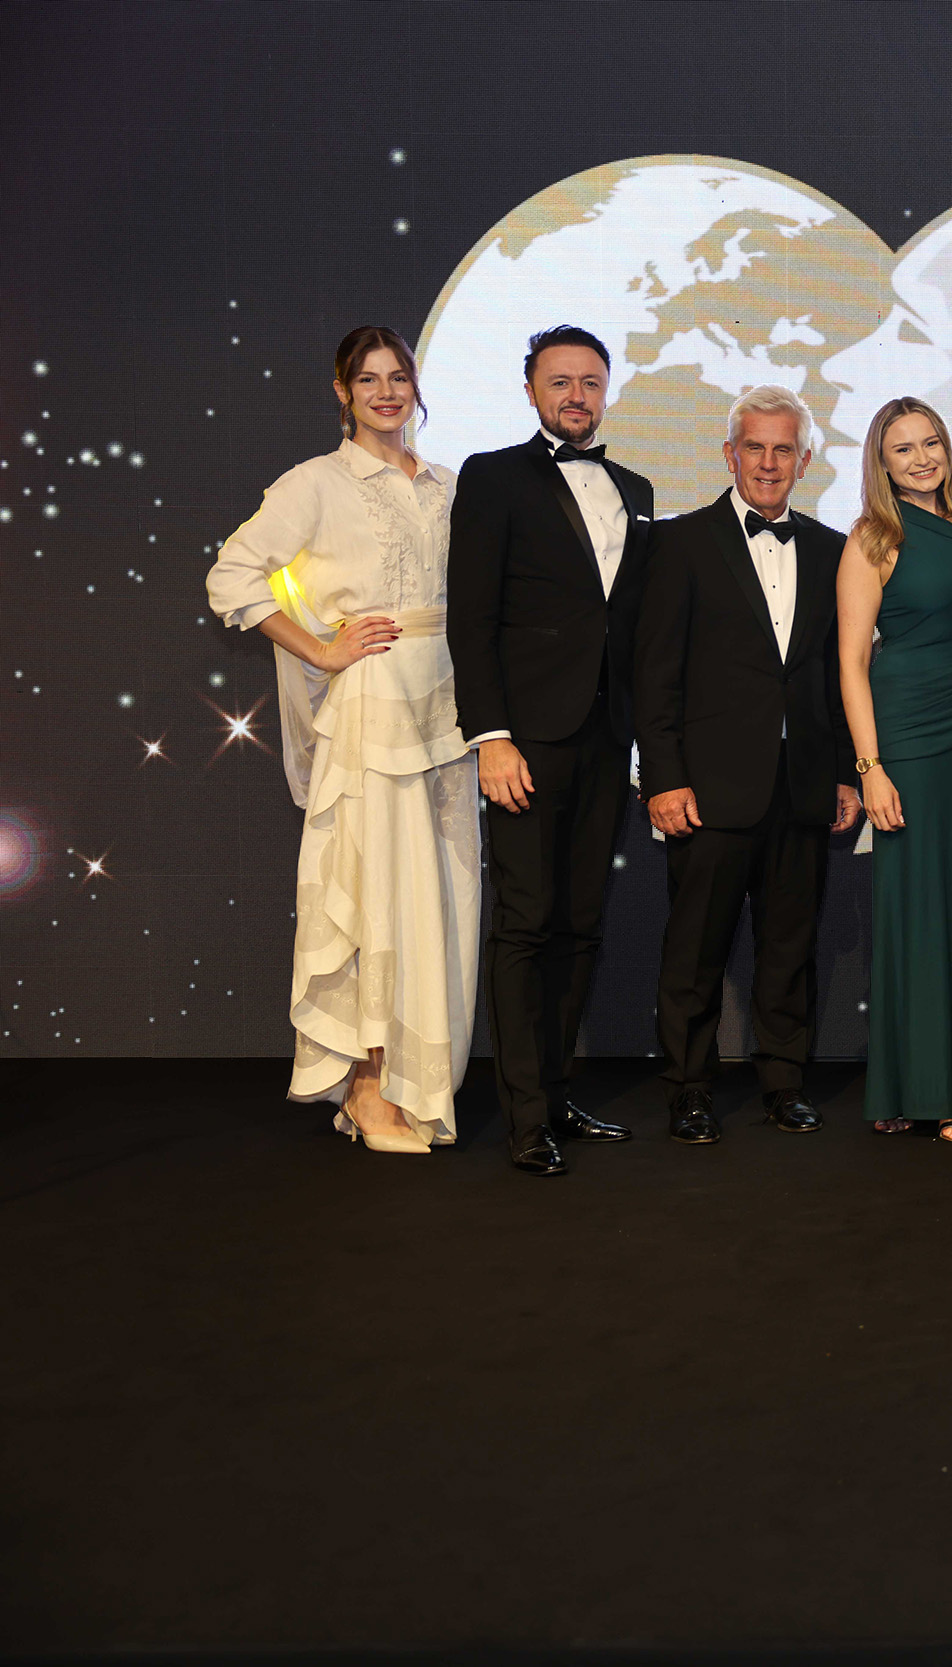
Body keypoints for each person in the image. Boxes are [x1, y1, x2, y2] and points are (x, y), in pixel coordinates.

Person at [207, 325, 477, 1153]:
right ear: (342, 391)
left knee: (447, 901)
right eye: (369, 380)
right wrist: (324, 647)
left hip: (451, 715)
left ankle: (418, 1085)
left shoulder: (449, 483)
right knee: (378, 898)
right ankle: (367, 1090)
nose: (387, 392)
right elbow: (231, 576)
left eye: (399, 376)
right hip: (371, 714)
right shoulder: (316, 482)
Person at [448, 324, 655, 1177]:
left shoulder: (636, 487)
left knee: (581, 922)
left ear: (607, 391)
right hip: (525, 743)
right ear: (530, 389)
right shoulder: (492, 475)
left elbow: (631, 622)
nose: (577, 395)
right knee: (526, 923)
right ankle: (523, 1114)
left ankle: (557, 1090)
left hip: (608, 741)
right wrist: (490, 737)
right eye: (560, 381)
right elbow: (472, 615)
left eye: (591, 382)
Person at [637, 387, 862, 1145]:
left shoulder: (834, 550)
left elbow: (837, 675)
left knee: (790, 947)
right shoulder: (679, 543)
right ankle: (689, 1088)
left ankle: (783, 1081)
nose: (769, 463)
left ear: (804, 460)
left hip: (801, 789)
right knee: (694, 950)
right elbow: (655, 672)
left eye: (783, 450)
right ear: (730, 454)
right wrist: (663, 776)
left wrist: (844, 775)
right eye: (755, 448)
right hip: (706, 789)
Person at [842, 397, 952, 1142]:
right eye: (902, 448)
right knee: (913, 904)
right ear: (881, 460)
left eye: (930, 442)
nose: (920, 458)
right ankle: (913, 1085)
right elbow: (850, 664)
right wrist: (871, 768)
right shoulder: (873, 538)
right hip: (906, 733)